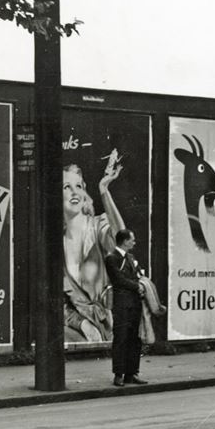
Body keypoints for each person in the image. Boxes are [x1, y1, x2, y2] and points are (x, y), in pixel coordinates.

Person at [62, 155, 125, 343]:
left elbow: (121, 239)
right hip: (76, 325)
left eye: (78, 186)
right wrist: (82, 324)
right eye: (67, 187)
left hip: (108, 322)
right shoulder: (54, 243)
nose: (74, 192)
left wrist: (104, 190)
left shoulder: (98, 225)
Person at [105, 229, 147, 386]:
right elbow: (118, 280)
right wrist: (137, 286)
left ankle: (132, 373)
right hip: (122, 304)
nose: (134, 242)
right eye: (132, 240)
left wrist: (140, 284)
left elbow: (137, 275)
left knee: (134, 339)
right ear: (124, 241)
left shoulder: (130, 258)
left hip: (134, 304)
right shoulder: (112, 258)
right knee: (121, 338)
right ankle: (118, 374)